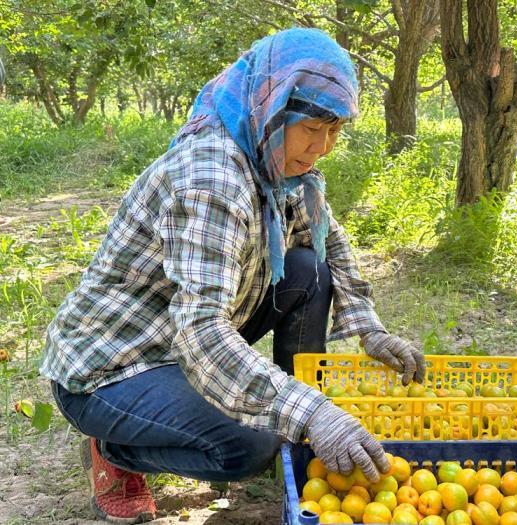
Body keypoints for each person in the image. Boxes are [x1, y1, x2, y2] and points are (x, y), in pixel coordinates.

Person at [40, 27, 426, 524]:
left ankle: (291, 422)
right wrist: (313, 411)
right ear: (275, 107)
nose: (324, 146)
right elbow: (201, 330)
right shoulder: (212, 178)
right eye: (312, 128)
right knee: (247, 447)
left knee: (308, 269)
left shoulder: (272, 157)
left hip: (183, 334)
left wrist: (367, 325)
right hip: (116, 366)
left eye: (335, 131)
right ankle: (115, 451)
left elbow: (327, 237)